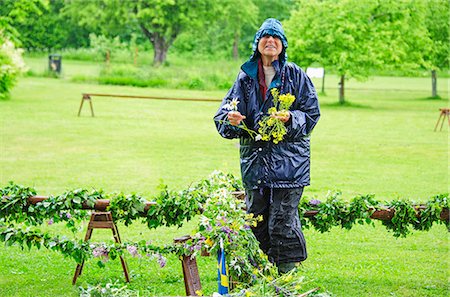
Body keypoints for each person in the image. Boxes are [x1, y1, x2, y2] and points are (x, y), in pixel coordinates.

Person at [214, 18, 320, 274]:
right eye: (265, 37)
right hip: (255, 164)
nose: (270, 41)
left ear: (282, 45)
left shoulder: (296, 75)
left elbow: (311, 114)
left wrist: (290, 118)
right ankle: (260, 276)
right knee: (257, 222)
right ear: (257, 44)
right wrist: (233, 120)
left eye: (276, 38)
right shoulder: (245, 78)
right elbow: (221, 117)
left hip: (289, 165)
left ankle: (287, 278)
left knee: (282, 223)